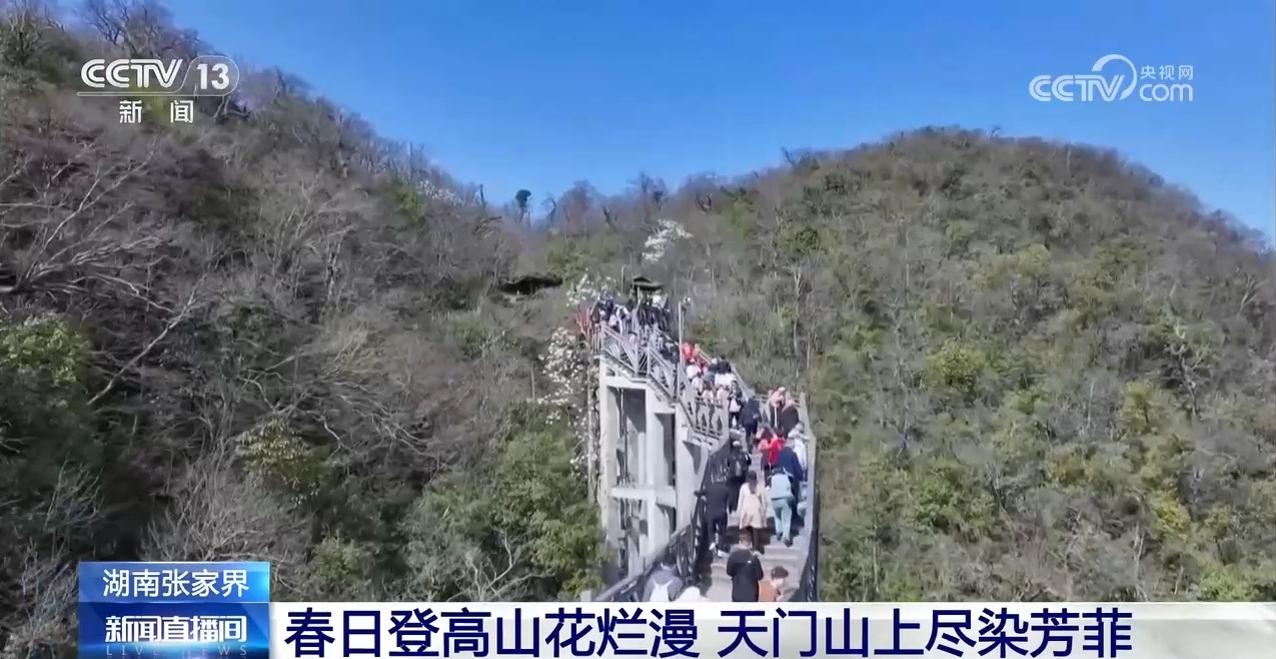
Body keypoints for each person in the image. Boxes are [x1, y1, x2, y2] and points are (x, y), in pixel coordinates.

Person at [736, 472, 770, 553]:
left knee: (748, 528)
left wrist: (739, 512)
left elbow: (740, 500)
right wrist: (764, 511)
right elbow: (764, 501)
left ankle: (749, 544)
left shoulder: (744, 487)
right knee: (756, 529)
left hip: (746, 510)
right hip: (756, 509)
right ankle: (756, 547)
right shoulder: (760, 487)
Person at [725, 530, 764, 602]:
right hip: (751, 593)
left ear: (740, 542)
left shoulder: (732, 556)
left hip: (737, 591)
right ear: (750, 543)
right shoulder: (754, 558)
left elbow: (729, 572)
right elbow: (759, 576)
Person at [703, 479, 733, 555]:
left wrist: (695, 493)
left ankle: (712, 542)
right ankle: (720, 548)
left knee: (710, 529)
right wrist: (730, 510)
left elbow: (700, 493)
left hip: (710, 513)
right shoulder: (726, 489)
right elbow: (730, 502)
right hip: (721, 513)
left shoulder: (709, 488)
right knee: (722, 531)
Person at [768, 469, 796, 546]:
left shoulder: (772, 478)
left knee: (777, 516)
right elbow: (790, 487)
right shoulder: (786, 477)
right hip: (785, 499)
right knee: (786, 519)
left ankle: (778, 531)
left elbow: (769, 487)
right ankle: (786, 536)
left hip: (774, 500)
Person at [726, 440, 750, 513]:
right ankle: (742, 505)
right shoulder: (744, 454)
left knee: (733, 491)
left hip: (732, 476)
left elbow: (728, 464)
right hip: (742, 476)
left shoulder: (729, 455)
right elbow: (749, 462)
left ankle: (733, 507)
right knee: (742, 490)